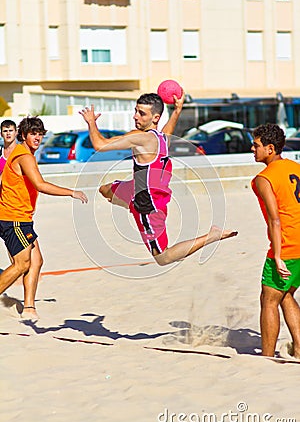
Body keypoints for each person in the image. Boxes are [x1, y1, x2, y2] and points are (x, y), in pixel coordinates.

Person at [80, 92, 237, 266]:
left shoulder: (140, 137)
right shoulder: (162, 139)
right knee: (105, 190)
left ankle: (212, 235)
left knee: (163, 257)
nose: (135, 116)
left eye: (141, 113)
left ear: (155, 118)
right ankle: (131, 204)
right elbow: (168, 130)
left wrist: (91, 122)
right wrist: (177, 111)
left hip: (149, 205)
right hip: (137, 189)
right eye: (136, 111)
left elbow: (100, 145)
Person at [0, 116, 88, 320]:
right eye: (33, 133)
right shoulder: (24, 156)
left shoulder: (23, 154)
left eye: (40, 133)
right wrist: (71, 192)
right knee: (22, 264)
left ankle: (29, 308)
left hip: (20, 217)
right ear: (23, 135)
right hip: (14, 218)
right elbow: (40, 185)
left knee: (37, 261)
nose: (37, 137)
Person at [251, 123, 300, 359]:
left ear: (270, 148)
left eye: (256, 145)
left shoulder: (264, 178)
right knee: (286, 294)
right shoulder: (296, 167)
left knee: (269, 299)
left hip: (289, 245)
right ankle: (299, 347)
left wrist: (278, 256)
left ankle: (267, 357)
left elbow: (275, 221)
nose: (252, 149)